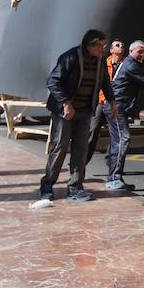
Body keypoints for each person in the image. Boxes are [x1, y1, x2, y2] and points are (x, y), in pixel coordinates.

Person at [34, 29, 110, 207]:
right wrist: (66, 103)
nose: (102, 49)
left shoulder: (99, 61)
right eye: (99, 46)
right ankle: (47, 186)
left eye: (103, 46)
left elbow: (105, 81)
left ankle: (75, 186)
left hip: (84, 112)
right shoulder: (70, 57)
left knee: (81, 149)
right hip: (65, 111)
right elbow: (53, 81)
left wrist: (112, 101)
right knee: (59, 147)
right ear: (89, 45)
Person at [107, 40, 144, 191]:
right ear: (131, 51)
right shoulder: (131, 65)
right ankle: (114, 178)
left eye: (143, 51)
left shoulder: (130, 63)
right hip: (116, 107)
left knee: (117, 140)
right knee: (122, 139)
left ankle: (112, 173)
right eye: (139, 51)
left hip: (117, 106)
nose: (142, 54)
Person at [86, 39, 126, 164]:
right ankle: (82, 161)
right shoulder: (104, 63)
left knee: (115, 135)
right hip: (101, 102)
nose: (120, 47)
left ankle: (111, 162)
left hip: (115, 104)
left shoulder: (126, 65)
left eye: (122, 45)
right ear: (111, 50)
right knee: (92, 131)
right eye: (117, 45)